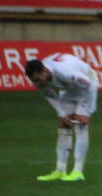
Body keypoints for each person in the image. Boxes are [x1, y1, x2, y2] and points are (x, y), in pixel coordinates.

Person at [25, 54, 98, 182]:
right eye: (34, 80)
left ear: (45, 71)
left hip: (86, 85)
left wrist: (88, 112)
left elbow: (90, 85)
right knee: (64, 125)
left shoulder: (64, 72)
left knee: (81, 125)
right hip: (69, 89)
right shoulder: (38, 78)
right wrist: (62, 113)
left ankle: (78, 172)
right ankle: (60, 170)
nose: (37, 83)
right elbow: (49, 94)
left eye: (38, 79)